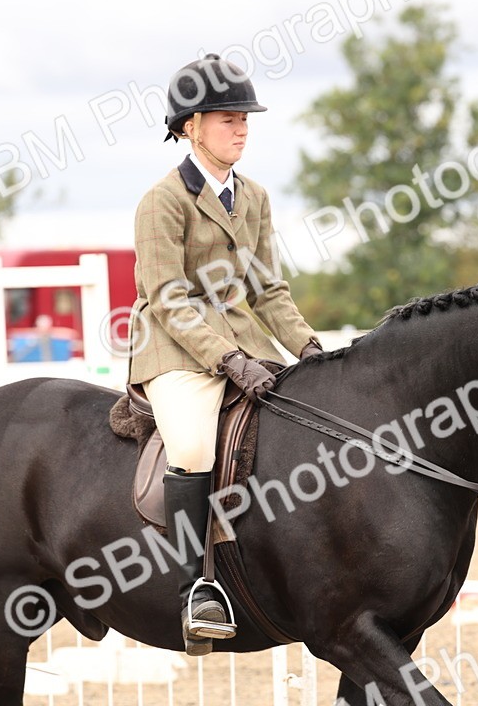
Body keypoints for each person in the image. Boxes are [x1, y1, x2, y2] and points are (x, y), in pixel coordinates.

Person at [126, 53, 322, 654]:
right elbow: (168, 298)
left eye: (245, 120)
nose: (241, 130)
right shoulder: (162, 201)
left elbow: (267, 289)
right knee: (191, 446)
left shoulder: (254, 196)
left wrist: (310, 349)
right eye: (228, 119)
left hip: (244, 339)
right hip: (174, 347)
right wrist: (229, 360)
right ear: (191, 127)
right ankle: (195, 590)